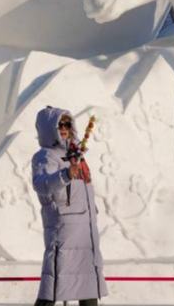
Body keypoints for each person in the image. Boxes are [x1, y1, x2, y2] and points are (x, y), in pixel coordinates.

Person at [31, 106, 107, 306]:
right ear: (50, 128)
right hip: (64, 230)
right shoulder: (46, 156)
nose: (63, 128)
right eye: (59, 124)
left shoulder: (76, 154)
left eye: (67, 124)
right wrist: (65, 175)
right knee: (53, 285)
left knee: (88, 284)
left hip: (85, 229)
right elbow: (41, 184)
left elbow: (84, 188)